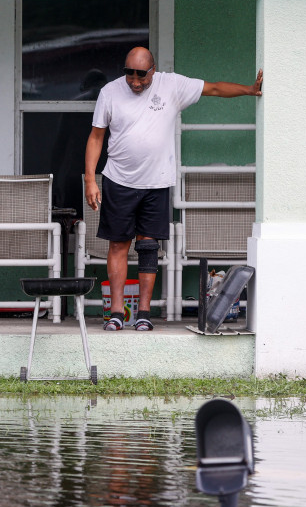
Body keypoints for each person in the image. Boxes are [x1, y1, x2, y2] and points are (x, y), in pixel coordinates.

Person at [85, 47, 262, 331]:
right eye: (129, 74)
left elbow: (214, 89)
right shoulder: (110, 92)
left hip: (157, 182)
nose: (135, 81)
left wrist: (249, 90)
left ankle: (143, 313)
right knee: (118, 245)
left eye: (141, 75)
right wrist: (90, 179)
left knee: (148, 246)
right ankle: (116, 313)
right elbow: (96, 136)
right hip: (118, 180)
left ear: (153, 70)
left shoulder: (173, 85)